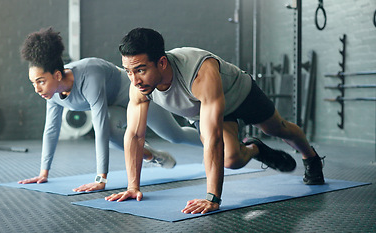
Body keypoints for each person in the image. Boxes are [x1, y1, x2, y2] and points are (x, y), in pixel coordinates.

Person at [105, 27, 325, 214]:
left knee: (277, 128)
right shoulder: (138, 87)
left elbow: (213, 138)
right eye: (128, 72)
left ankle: (311, 158)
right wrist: (133, 186)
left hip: (240, 93)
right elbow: (134, 135)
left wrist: (212, 197)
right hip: (205, 111)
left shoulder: (199, 72)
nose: (134, 80)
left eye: (140, 70)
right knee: (232, 160)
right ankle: (256, 149)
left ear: (161, 63)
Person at [18, 27, 202, 192]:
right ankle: (153, 156)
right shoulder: (52, 94)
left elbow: (99, 126)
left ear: (57, 75)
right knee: (111, 128)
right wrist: (44, 173)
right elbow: (51, 130)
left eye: (40, 82)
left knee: (175, 136)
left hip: (138, 95)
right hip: (115, 110)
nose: (37, 89)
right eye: (33, 83)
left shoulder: (89, 74)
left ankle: (211, 142)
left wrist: (100, 178)